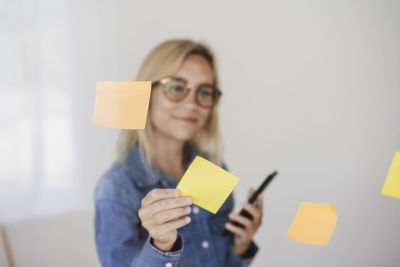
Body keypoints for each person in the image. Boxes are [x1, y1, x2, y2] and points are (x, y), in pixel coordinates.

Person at [94, 39, 263, 267]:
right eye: (175, 87)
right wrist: (161, 245)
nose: (192, 103)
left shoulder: (213, 168)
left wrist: (240, 244)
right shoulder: (117, 188)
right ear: (146, 93)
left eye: (204, 91)